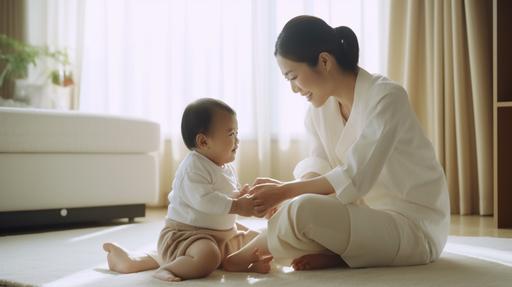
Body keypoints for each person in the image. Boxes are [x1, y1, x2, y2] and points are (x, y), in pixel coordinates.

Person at [244, 15, 450, 271]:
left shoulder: (386, 97)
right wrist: (286, 195)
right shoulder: (319, 109)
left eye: (293, 76)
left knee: (302, 211)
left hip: (413, 226)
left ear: (324, 61)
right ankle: (343, 254)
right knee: (296, 207)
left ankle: (241, 256)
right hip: (362, 215)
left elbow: (355, 177)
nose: (294, 89)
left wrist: (285, 191)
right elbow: (317, 165)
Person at [103, 98, 272, 282]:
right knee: (208, 255)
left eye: (237, 133)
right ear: (203, 141)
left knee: (260, 238)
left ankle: (242, 262)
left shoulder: (225, 167)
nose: (237, 140)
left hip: (223, 234)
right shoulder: (193, 167)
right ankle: (169, 269)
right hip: (187, 235)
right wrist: (237, 205)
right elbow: (205, 200)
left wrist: (245, 197)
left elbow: (227, 196)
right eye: (231, 134)